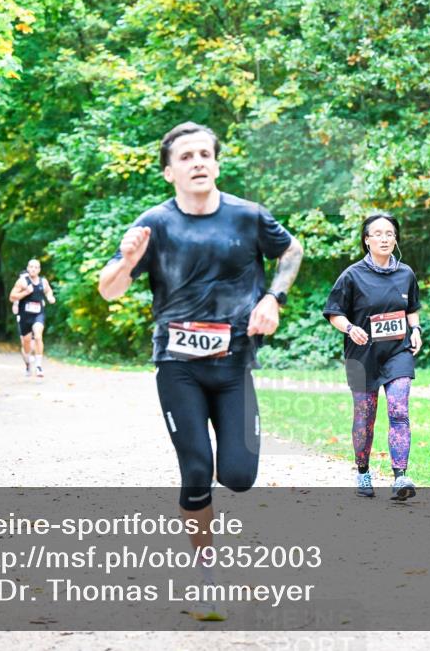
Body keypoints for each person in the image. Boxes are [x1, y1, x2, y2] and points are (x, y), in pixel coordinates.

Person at [97, 121, 303, 620]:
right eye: (186, 157)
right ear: (170, 171)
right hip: (177, 366)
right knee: (195, 471)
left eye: (205, 154)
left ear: (216, 163)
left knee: (238, 475)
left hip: (234, 364)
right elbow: (109, 289)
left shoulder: (248, 216)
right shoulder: (155, 224)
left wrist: (273, 298)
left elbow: (292, 250)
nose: (197, 163)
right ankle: (206, 576)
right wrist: (126, 262)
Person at [323, 213, 422, 501]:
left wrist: (416, 330)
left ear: (396, 239)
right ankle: (363, 472)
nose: (384, 239)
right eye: (377, 234)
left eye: (389, 233)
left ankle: (400, 476)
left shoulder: (406, 274)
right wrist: (350, 328)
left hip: (397, 352)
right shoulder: (351, 275)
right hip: (362, 354)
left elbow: (412, 308)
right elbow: (334, 313)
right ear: (367, 240)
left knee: (399, 410)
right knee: (365, 416)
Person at [9, 260, 56, 377]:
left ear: (39, 270)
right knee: (26, 342)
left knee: (38, 336)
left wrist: (50, 297)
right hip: (25, 316)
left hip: (38, 314)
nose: (33, 269)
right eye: (31, 267)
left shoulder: (43, 281)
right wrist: (25, 292)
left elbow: (48, 290)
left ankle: (39, 366)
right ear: (28, 268)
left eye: (36, 267)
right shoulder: (22, 282)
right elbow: (12, 297)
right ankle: (28, 362)